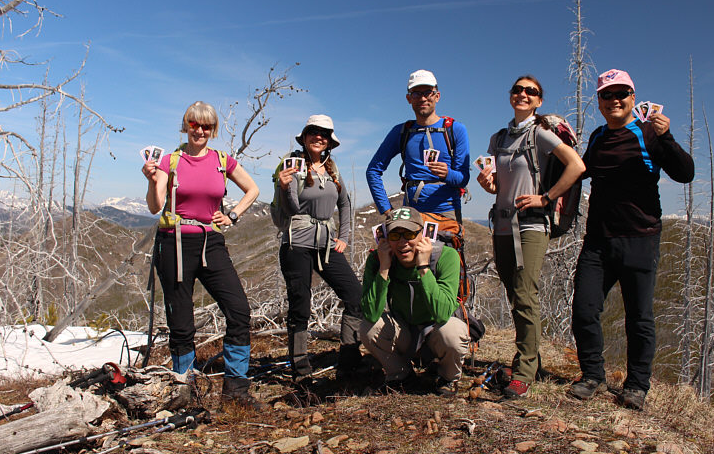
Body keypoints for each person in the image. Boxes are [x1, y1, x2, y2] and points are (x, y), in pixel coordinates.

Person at [568, 69, 694, 410]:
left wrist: (667, 138)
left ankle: (637, 386)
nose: (615, 100)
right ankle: (593, 375)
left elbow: (685, 173)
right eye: (608, 95)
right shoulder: (596, 138)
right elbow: (579, 172)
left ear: (633, 98)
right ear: (599, 102)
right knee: (584, 309)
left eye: (622, 93)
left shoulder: (649, 132)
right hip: (598, 240)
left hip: (640, 238)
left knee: (639, 317)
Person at [142, 101, 262, 407]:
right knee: (181, 322)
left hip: (211, 242)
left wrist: (233, 215)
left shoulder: (222, 161)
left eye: (206, 126)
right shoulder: (169, 161)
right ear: (186, 126)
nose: (200, 130)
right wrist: (152, 178)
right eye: (194, 124)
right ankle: (186, 393)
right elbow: (156, 207)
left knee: (238, 310)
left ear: (213, 130)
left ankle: (236, 391)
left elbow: (253, 189)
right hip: (174, 244)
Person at [477, 75, 585, 400]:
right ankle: (530, 360)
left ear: (539, 101)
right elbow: (498, 185)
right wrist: (488, 185)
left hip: (531, 225)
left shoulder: (541, 134)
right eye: (518, 90)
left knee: (525, 294)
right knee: (514, 294)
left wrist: (546, 197)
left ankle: (524, 372)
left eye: (531, 92)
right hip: (503, 225)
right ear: (510, 96)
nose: (523, 94)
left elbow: (576, 166)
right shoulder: (498, 138)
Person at [275, 115, 364, 390]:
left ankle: (349, 360)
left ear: (329, 142)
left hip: (326, 243)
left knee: (354, 295)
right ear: (305, 136)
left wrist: (344, 237)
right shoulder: (292, 165)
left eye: (324, 134)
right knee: (300, 303)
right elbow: (289, 210)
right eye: (314, 132)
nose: (319, 137)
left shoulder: (332, 170)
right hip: (297, 241)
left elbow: (346, 205)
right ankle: (300, 368)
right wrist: (283, 186)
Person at [358, 206, 470, 396]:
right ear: (385, 238)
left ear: (424, 234)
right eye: (395, 236)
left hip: (436, 331)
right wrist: (384, 268)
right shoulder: (377, 260)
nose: (403, 243)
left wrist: (424, 268)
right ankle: (401, 375)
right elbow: (370, 313)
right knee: (368, 328)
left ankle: (448, 378)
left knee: (453, 331)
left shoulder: (446, 256)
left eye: (409, 234)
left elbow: (443, 313)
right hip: (405, 333)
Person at [366, 70, 470, 234]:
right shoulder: (401, 131)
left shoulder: (455, 130)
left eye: (428, 92)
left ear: (437, 96)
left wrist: (447, 174)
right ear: (409, 98)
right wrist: (386, 209)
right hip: (411, 214)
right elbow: (373, 170)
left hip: (446, 213)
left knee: (446, 259)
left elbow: (463, 179)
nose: (423, 98)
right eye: (416, 93)